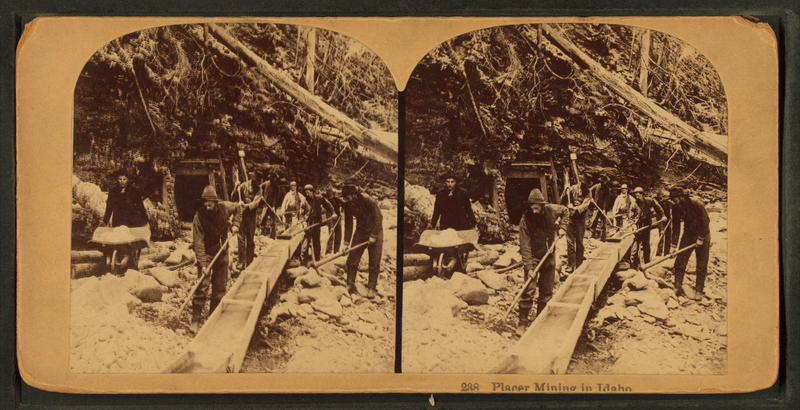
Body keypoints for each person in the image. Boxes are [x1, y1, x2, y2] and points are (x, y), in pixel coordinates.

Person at [517, 189, 570, 337]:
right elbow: (525, 247)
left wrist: (562, 228)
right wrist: (529, 267)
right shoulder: (525, 221)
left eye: (536, 208)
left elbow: (565, 211)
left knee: (546, 292)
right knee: (528, 291)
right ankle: (522, 322)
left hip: (549, 255)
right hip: (533, 257)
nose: (533, 211)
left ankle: (539, 321)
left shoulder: (551, 210)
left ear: (541, 206)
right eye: (531, 208)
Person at [190, 186, 242, 333]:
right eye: (205, 203)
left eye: (210, 203)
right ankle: (195, 319)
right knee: (202, 286)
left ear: (215, 202)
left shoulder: (225, 207)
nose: (207, 206)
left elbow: (239, 207)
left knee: (219, 288)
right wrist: (202, 264)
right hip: (207, 253)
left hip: (223, 252)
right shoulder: (198, 217)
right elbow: (198, 243)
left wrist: (236, 225)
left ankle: (212, 317)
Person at [668, 187, 711, 301]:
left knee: (701, 264)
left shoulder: (696, 204)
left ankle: (699, 290)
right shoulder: (676, 207)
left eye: (674, 199)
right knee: (680, 261)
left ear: (681, 197)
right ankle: (677, 286)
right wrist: (673, 245)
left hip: (703, 234)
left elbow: (706, 221)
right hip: (688, 234)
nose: (672, 202)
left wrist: (701, 238)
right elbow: (676, 226)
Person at [342, 182, 383, 299]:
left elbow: (379, 218)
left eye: (348, 197)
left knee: (374, 261)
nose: (347, 200)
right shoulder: (348, 205)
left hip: (376, 230)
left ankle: (371, 287)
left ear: (354, 194)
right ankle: (350, 283)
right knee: (352, 258)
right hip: (360, 231)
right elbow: (348, 224)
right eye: (345, 198)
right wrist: (345, 243)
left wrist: (374, 235)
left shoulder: (368, 200)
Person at [561, 172, 593, 273]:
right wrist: (565, 190)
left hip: (580, 220)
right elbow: (563, 199)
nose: (584, 186)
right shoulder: (572, 189)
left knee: (579, 243)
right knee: (570, 242)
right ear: (580, 182)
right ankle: (571, 264)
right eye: (583, 183)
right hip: (570, 219)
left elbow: (585, 206)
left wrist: (574, 208)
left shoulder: (588, 192)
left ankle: (579, 265)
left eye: (586, 184)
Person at [235, 170, 264, 271]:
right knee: (240, 239)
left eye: (259, 181)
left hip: (251, 217)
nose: (258, 183)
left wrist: (245, 206)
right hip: (242, 216)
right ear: (252, 179)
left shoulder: (259, 190)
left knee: (250, 240)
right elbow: (233, 196)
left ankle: (249, 262)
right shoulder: (243, 186)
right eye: (256, 181)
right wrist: (235, 187)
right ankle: (241, 262)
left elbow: (255, 203)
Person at [631, 187, 665, 268]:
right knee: (636, 244)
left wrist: (663, 215)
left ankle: (647, 263)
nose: (637, 195)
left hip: (646, 225)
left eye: (638, 194)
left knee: (646, 244)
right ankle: (635, 265)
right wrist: (633, 226)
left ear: (642, 194)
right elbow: (631, 217)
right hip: (638, 226)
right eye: (635, 194)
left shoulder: (650, 201)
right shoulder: (634, 204)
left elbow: (658, 208)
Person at [304, 184, 335, 261]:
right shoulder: (304, 200)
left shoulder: (319, 198)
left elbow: (328, 205)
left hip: (317, 223)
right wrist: (303, 221)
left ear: (312, 192)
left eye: (308, 192)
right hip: (308, 223)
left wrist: (333, 212)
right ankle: (305, 259)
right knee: (306, 241)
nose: (307, 194)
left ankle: (317, 259)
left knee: (316, 241)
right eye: (306, 192)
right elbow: (301, 212)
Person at [589, 174, 614, 241]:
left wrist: (604, 209)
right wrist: (591, 198)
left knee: (603, 222)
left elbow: (607, 200)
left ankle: (603, 237)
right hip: (596, 207)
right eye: (602, 182)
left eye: (604, 182)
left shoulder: (607, 189)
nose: (603, 183)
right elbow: (589, 190)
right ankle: (592, 234)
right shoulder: (597, 186)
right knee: (594, 220)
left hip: (603, 208)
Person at [324, 187, 345, 255]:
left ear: (333, 194)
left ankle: (336, 251)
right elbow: (328, 214)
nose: (330, 196)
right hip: (330, 218)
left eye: (331, 195)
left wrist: (342, 210)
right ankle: (328, 252)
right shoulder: (326, 202)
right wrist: (331, 225)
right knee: (331, 234)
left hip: (338, 218)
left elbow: (344, 203)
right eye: (329, 195)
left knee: (338, 235)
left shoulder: (337, 199)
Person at [655, 190, 673, 257]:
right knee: (661, 234)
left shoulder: (668, 202)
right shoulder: (658, 205)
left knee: (669, 236)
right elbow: (659, 217)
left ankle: (667, 253)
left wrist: (671, 216)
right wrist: (662, 228)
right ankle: (659, 253)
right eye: (660, 198)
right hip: (661, 219)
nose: (662, 199)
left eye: (663, 197)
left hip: (668, 220)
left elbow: (672, 208)